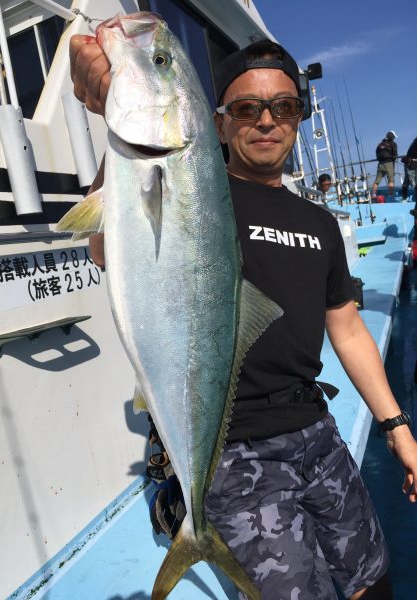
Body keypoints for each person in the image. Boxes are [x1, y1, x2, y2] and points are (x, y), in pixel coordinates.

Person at [69, 32, 417, 600]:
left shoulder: (321, 223)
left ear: (298, 118)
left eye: (283, 107)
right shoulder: (200, 189)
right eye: (247, 108)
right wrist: (117, 104)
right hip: (233, 449)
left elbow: (349, 329)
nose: (266, 120)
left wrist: (398, 430)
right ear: (219, 122)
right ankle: (195, 521)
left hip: (315, 430)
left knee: (373, 584)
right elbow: (108, 247)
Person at [372, 131, 398, 201]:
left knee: (377, 181)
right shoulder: (393, 144)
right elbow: (395, 155)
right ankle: (390, 196)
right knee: (391, 181)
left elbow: (377, 153)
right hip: (389, 163)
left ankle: (373, 195)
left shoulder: (380, 144)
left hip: (380, 164)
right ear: (392, 137)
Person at [401, 136, 417, 215]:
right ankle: (404, 198)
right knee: (412, 183)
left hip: (409, 163)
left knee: (407, 182)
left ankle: (404, 198)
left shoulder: (413, 143)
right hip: (411, 165)